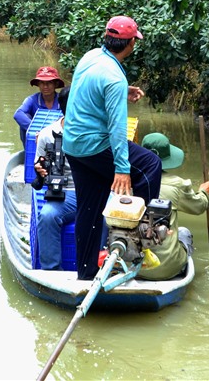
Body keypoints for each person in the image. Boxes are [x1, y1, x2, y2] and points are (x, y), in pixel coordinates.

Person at [62, 15, 163, 281]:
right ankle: (141, 238)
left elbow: (83, 90)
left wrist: (121, 91)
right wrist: (121, 169)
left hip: (73, 145)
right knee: (151, 165)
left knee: (89, 209)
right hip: (96, 145)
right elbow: (118, 129)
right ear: (130, 44)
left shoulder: (91, 56)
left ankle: (85, 273)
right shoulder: (114, 77)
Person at [136, 132, 209, 280]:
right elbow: (198, 206)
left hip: (134, 266)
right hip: (167, 268)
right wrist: (204, 192)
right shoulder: (176, 185)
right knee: (183, 232)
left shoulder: (127, 182)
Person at [32, 87, 76, 270]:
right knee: (48, 216)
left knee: (110, 217)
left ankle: (101, 267)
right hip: (67, 192)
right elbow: (39, 171)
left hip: (96, 190)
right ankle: (52, 271)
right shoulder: (46, 135)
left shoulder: (98, 132)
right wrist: (40, 171)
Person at [13, 66, 65, 148]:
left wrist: (46, 133)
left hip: (58, 138)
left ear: (56, 84)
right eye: (42, 83)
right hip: (36, 139)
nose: (45, 86)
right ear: (38, 84)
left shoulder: (63, 100)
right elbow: (18, 114)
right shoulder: (32, 100)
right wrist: (36, 131)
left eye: (49, 82)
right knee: (25, 117)